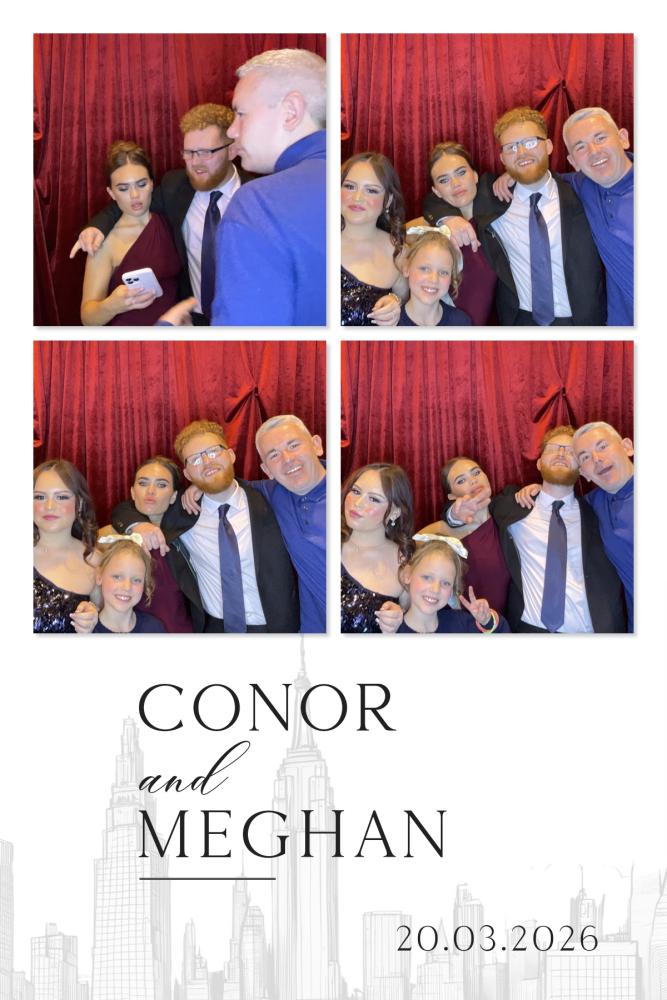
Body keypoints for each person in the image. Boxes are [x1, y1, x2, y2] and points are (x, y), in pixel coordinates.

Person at [111, 420, 299, 633]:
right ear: (188, 474)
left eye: (213, 452)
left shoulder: (269, 498)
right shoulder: (183, 511)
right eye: (196, 459)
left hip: (275, 629)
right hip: (212, 629)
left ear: (231, 455)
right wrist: (138, 525)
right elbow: (125, 509)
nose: (207, 462)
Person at [73, 104, 248, 324]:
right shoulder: (174, 187)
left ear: (232, 150)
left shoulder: (260, 197)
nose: (195, 163)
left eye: (205, 152)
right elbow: (130, 205)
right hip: (189, 319)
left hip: (246, 318)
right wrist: (96, 226)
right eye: (188, 152)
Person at [444, 108, 606, 326]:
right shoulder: (491, 197)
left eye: (530, 143)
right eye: (511, 147)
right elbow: (436, 198)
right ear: (502, 158)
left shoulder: (582, 191)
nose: (521, 153)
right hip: (520, 321)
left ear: (548, 146)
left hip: (582, 323)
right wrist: (448, 219)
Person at [181, 415, 327, 633]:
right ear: (266, 469)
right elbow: (136, 512)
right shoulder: (181, 512)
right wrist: (203, 482)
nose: (287, 459)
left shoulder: (352, 499)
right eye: (195, 460)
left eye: (293, 445)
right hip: (220, 630)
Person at [212, 49, 326, 326]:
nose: (232, 131)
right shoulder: (351, 179)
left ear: (290, 112)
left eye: (241, 113)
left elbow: (245, 341)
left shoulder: (257, 205)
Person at [490, 425, 626, 632]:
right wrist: (452, 516)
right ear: (539, 463)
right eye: (553, 448)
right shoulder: (513, 505)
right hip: (530, 631)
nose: (561, 453)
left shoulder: (597, 512)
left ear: (581, 468)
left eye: (570, 451)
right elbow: (471, 509)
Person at [80, 141, 181, 326]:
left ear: (152, 184)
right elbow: (87, 318)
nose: (135, 195)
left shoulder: (170, 219)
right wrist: (112, 306)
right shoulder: (104, 242)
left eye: (141, 184)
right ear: (111, 193)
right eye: (123, 188)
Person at [99, 457, 193, 632]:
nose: (150, 491)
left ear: (174, 496)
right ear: (133, 492)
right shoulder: (108, 537)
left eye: (161, 485)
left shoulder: (187, 535)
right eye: (143, 483)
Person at [562, 108, 634, 325]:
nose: (594, 151)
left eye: (600, 138)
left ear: (623, 138)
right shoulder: (582, 185)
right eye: (580, 147)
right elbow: (542, 180)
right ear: (573, 161)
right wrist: (513, 177)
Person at [418, 142, 497, 325]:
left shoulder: (499, 206)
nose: (455, 184)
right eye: (444, 180)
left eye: (461, 172)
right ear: (436, 191)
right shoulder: (430, 229)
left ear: (475, 175)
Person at [420, 456, 510, 614]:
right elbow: (410, 547)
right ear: (452, 496)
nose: (473, 480)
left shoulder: (506, 511)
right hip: (465, 622)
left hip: (508, 622)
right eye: (461, 480)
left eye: (476, 473)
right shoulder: (444, 530)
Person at [341, 464, 414, 633]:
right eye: (356, 491)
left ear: (395, 512)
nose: (357, 503)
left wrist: (399, 622)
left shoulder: (405, 565)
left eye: (374, 499)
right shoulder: (325, 542)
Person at [387, 540, 510, 634]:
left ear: (452, 590)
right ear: (408, 575)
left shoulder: (463, 624)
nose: (435, 589)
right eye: (427, 577)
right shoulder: (391, 629)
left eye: (445, 583)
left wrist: (486, 621)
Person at [33, 460, 99, 633]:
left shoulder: (95, 561)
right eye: (39, 497)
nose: (49, 506)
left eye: (61, 497)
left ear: (80, 504)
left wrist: (93, 618)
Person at [340, 152, 405, 326]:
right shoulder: (314, 239)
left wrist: (395, 302)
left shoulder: (399, 252)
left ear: (388, 200)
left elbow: (410, 303)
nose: (357, 197)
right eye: (349, 186)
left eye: (371, 190)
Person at [396, 230, 471, 326]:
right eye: (425, 269)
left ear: (451, 278)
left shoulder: (461, 323)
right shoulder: (390, 325)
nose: (434, 280)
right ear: (406, 268)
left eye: (443, 272)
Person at [93, 539, 164, 633]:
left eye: (136, 580)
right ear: (99, 576)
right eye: (117, 577)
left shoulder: (154, 628)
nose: (127, 587)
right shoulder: (86, 632)